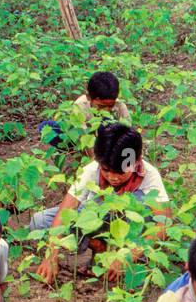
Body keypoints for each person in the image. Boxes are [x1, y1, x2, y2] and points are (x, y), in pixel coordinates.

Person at [31, 122, 172, 285]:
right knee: (39, 222)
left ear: (136, 160)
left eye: (120, 172)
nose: (113, 177)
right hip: (98, 220)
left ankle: (125, 253)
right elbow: (65, 212)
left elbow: (164, 224)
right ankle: (99, 246)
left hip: (130, 230)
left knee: (145, 209)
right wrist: (51, 255)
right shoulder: (92, 171)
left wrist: (126, 257)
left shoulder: (149, 175)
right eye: (106, 170)